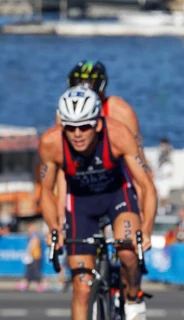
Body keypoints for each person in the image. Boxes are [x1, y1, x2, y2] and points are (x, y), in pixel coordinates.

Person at [39, 85, 157, 320]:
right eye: (70, 127)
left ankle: (133, 297)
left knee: (128, 253)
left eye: (84, 126)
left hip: (117, 195)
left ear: (98, 123)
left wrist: (146, 229)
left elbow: (146, 184)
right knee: (82, 287)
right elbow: (45, 190)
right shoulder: (51, 143)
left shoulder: (119, 134)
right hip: (81, 203)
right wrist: (54, 227)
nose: (77, 134)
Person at [57, 60, 153, 224]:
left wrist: (142, 206)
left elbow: (138, 156)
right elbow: (63, 162)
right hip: (83, 178)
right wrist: (60, 212)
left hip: (118, 174)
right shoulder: (65, 112)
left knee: (127, 238)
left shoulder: (120, 111)